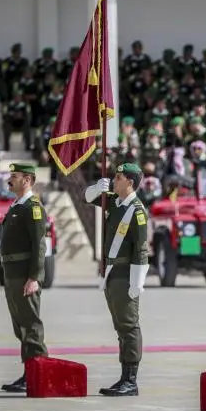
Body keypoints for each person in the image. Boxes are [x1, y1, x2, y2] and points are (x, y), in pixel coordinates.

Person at [84, 163, 150, 396]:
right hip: (112, 274)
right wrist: (96, 188)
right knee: (121, 327)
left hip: (125, 275)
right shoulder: (115, 202)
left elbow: (141, 249)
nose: (114, 180)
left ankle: (131, 380)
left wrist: (137, 283)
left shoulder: (137, 211)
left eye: (119, 177)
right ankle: (124, 377)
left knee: (129, 326)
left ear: (130, 182)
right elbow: (88, 198)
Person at [0, 163, 49, 392]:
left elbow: (39, 245)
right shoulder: (17, 205)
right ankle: (30, 373)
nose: (10, 180)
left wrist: (34, 277)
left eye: (14, 176)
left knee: (31, 326)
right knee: (21, 327)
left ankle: (40, 373)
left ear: (27, 180)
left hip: (24, 276)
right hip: (13, 274)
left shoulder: (32, 207)